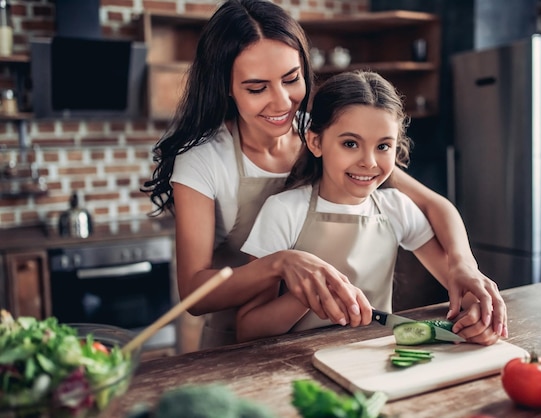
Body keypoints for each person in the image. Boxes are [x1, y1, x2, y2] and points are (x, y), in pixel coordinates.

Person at [142, 0, 507, 348]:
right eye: (257, 88)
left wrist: (463, 266)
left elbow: (430, 204)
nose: (282, 102)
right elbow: (194, 292)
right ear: (226, 85)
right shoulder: (204, 160)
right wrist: (282, 264)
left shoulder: (327, 135)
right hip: (234, 345)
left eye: (291, 79)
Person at [236, 70, 500, 344]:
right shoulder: (283, 210)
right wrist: (307, 297)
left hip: (375, 363)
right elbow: (248, 328)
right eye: (350, 144)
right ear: (316, 142)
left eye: (383, 146)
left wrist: (481, 316)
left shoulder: (396, 207)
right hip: (296, 364)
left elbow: (463, 291)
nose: (369, 162)